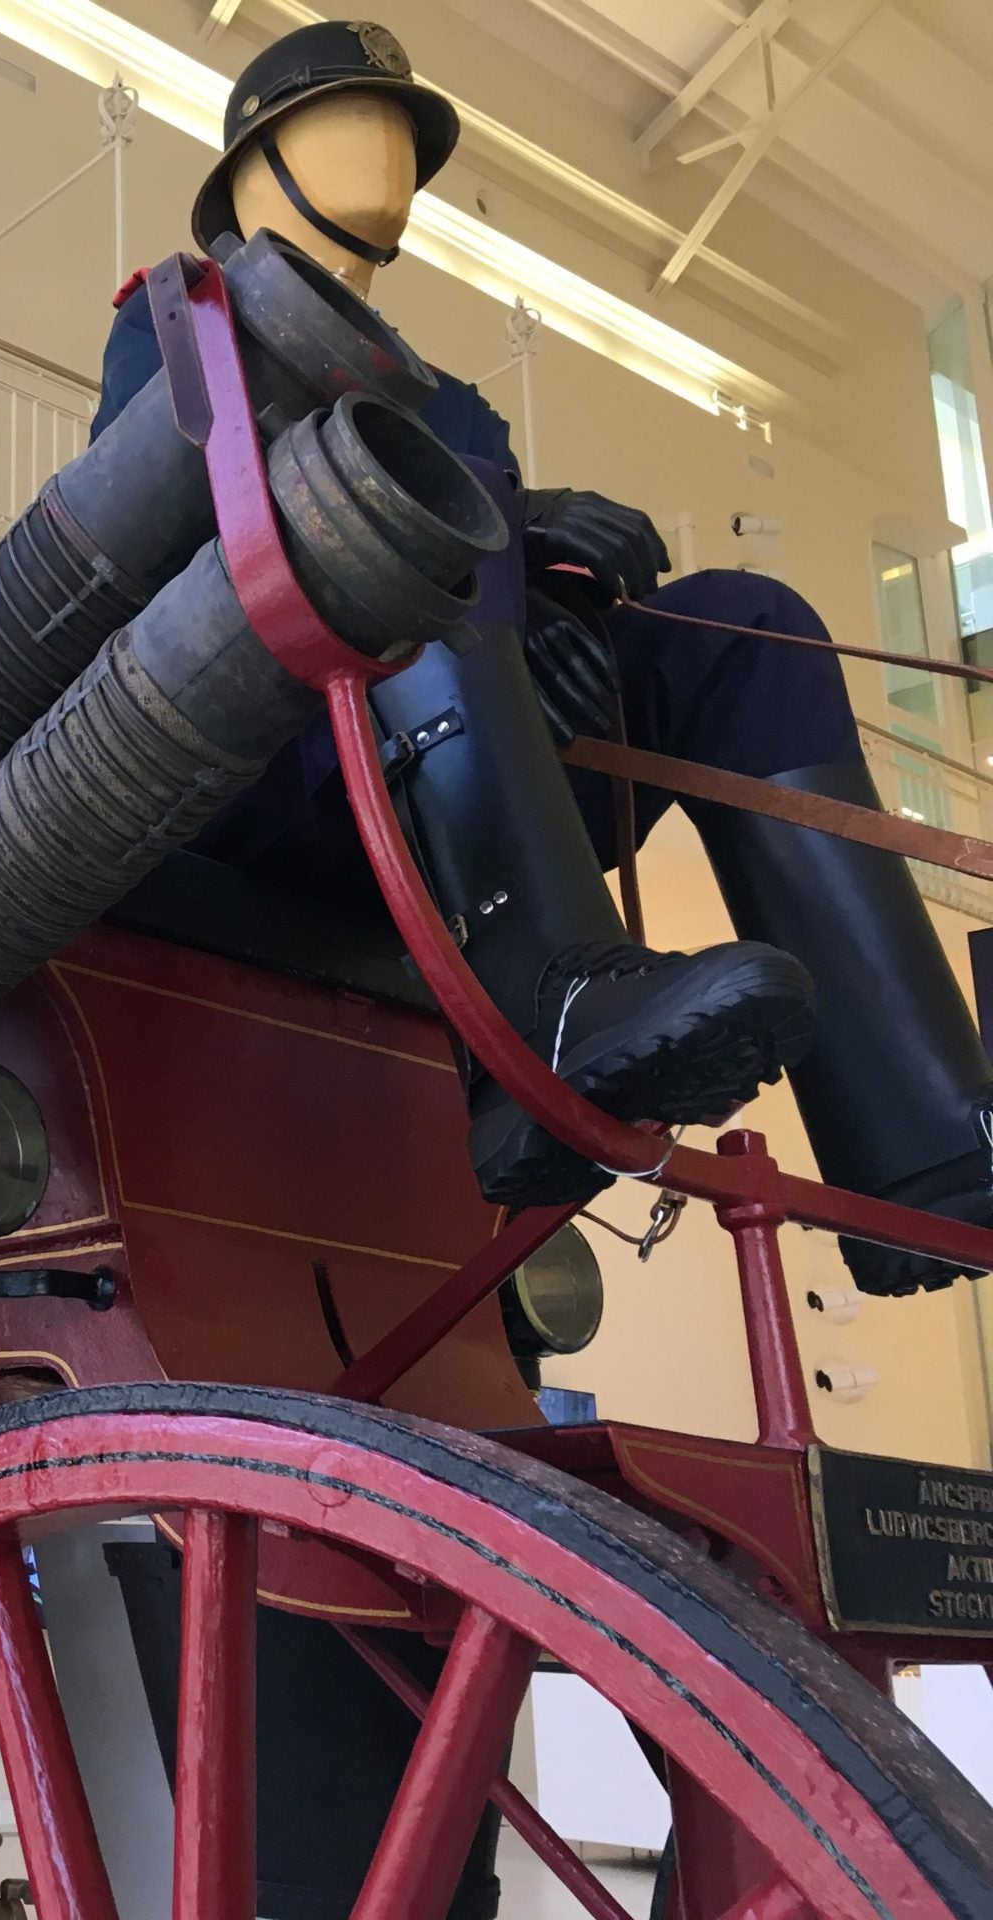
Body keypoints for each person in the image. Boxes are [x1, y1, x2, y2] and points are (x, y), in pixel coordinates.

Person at [98, 18, 993, 1295]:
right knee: (430, 512)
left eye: (405, 139)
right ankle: (550, 1003)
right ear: (257, 162)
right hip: (266, 761)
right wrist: (501, 530)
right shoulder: (179, 319)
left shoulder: (452, 397)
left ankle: (917, 1143)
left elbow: (494, 584)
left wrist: (565, 599)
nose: (391, 159)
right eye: (353, 123)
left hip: (451, 774)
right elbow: (183, 529)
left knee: (746, 626)